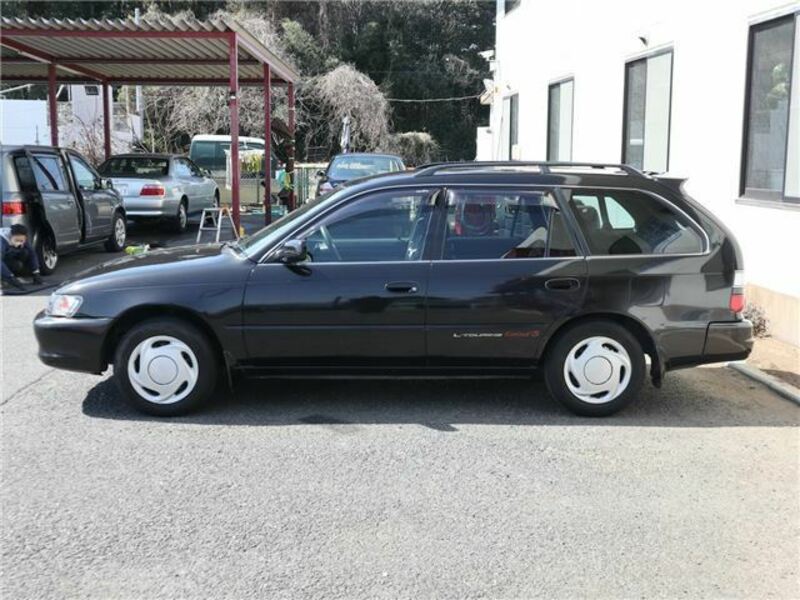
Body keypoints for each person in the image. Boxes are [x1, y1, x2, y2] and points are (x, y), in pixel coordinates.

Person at [2, 224, 43, 291]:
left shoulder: (20, 235)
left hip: (6, 254)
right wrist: (11, 277)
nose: (19, 243)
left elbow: (32, 252)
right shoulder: (2, 241)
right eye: (17, 240)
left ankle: (13, 275)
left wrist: (36, 272)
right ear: (10, 236)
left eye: (21, 241)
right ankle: (4, 278)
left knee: (25, 252)